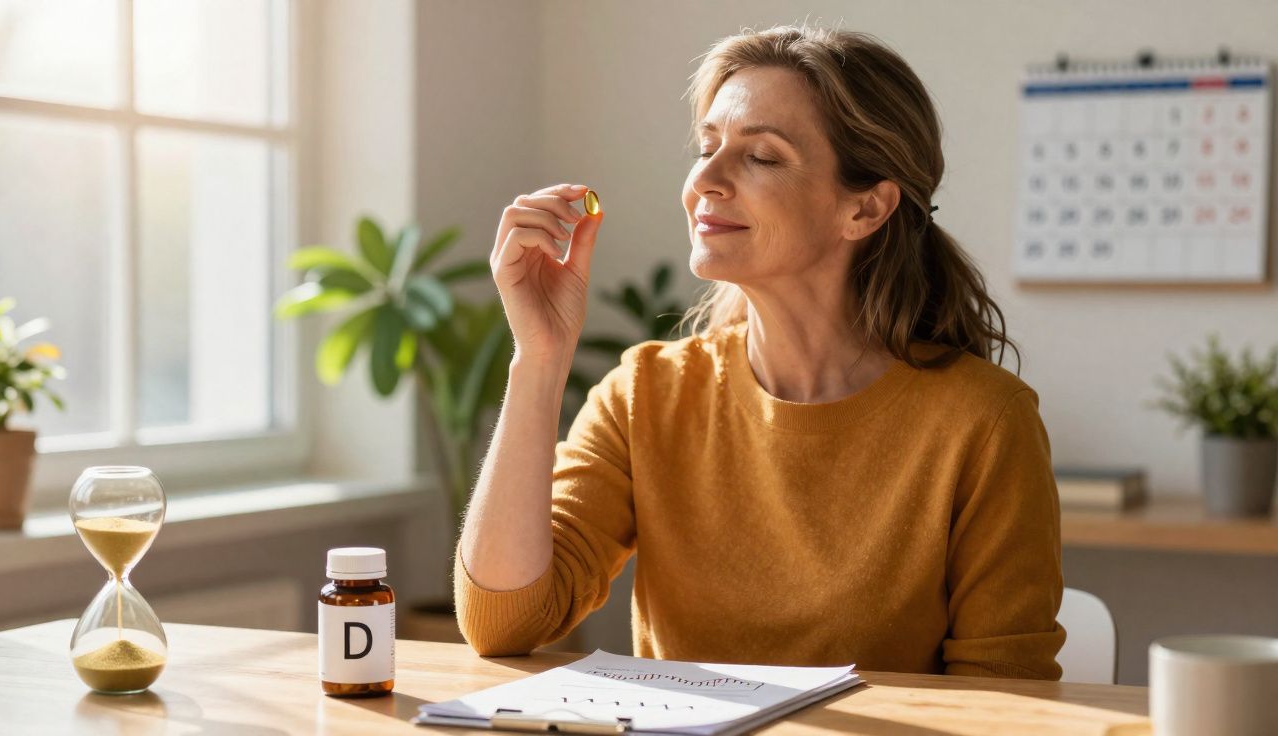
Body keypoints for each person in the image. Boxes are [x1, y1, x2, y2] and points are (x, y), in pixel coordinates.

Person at [454, 24, 1065, 679]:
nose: (705, 181)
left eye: (762, 157)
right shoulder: (645, 396)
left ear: (865, 209)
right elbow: (504, 623)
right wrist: (539, 360)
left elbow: (1004, 702)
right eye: (707, 146)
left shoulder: (985, 422)